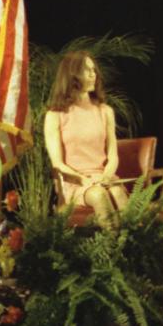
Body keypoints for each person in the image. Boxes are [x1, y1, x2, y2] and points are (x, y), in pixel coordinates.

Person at [43, 51, 127, 231]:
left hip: (103, 177)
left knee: (117, 192)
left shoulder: (105, 111)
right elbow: (57, 164)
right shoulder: (55, 115)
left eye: (93, 70)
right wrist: (85, 180)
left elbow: (113, 156)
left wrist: (106, 176)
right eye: (86, 70)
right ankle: (114, 251)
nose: (93, 75)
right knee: (98, 195)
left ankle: (136, 248)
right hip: (76, 182)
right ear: (71, 75)